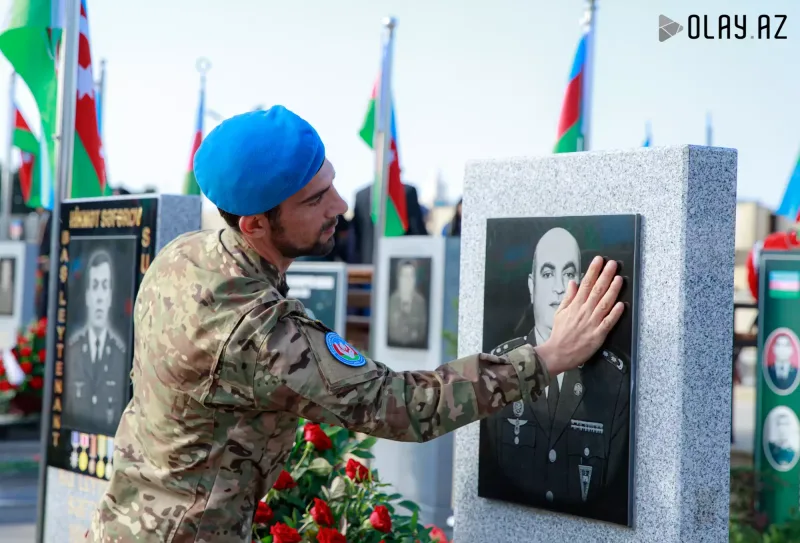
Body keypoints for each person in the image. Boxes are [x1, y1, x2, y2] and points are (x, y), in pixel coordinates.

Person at [88, 105, 625, 542]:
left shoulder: (186, 255)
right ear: (255, 224)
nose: (341, 206)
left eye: (332, 184)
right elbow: (403, 407)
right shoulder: (257, 331)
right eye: (315, 198)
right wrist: (549, 356)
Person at [482, 227, 631, 524]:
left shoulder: (615, 377)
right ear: (531, 286)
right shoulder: (498, 366)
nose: (559, 287)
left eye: (569, 273)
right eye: (547, 274)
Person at [64, 249, 128, 437]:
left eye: (105, 286)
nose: (99, 296)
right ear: (87, 294)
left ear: (110, 295)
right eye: (95, 285)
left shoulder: (120, 353)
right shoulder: (73, 349)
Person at [387, 259, 428, 348]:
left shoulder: (420, 302)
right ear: (399, 278)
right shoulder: (392, 300)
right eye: (405, 276)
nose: (408, 280)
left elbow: (421, 333)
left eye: (411, 276)